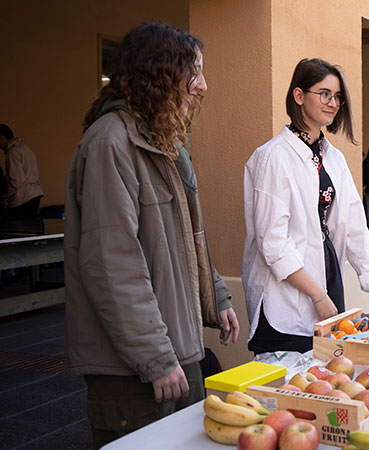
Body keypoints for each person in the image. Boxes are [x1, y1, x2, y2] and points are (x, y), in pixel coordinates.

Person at [64, 23, 239, 448]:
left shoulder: (162, 142)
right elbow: (112, 264)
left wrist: (215, 295)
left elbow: (183, 237)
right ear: (158, 73)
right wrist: (155, 358)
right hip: (135, 366)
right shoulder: (110, 144)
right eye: (193, 72)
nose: (202, 85)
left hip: (175, 349)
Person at [242, 58, 369, 355]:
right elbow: (273, 243)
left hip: (326, 277)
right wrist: (317, 294)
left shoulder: (334, 158)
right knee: (284, 381)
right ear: (299, 96)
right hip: (286, 294)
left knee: (322, 375)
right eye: (324, 94)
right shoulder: (272, 157)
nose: (333, 103)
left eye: (337, 96)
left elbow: (354, 227)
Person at [0, 123, 44, 218]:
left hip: (23, 197)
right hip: (34, 194)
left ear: (2, 138)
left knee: (20, 228)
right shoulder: (25, 148)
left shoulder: (12, 152)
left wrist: (7, 200)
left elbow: (15, 180)